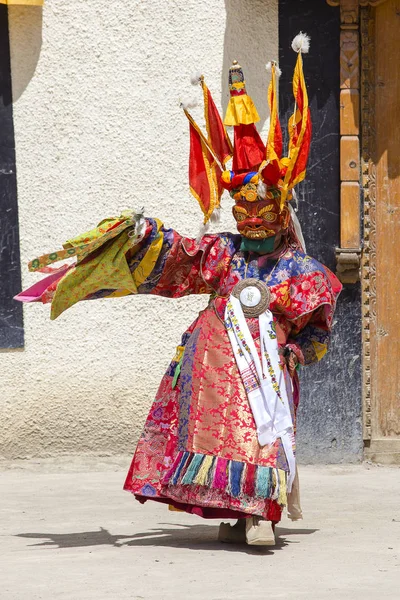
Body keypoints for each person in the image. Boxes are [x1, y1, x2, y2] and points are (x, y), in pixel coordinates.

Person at [16, 33, 341, 546]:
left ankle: (261, 516)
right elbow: (180, 257)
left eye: (262, 209)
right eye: (243, 210)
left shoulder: (302, 271)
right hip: (213, 359)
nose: (252, 219)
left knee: (261, 434)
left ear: (283, 208)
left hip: (269, 367)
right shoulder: (223, 252)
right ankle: (235, 512)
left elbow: (320, 331)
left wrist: (297, 351)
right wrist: (144, 235)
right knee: (216, 432)